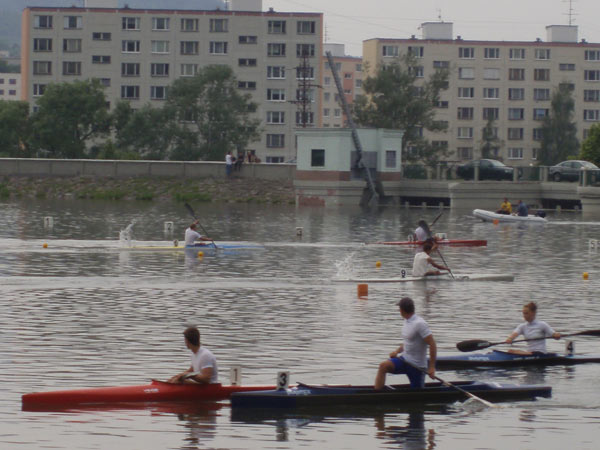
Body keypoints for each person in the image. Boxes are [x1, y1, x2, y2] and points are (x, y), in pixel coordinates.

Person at [374, 297, 437, 389]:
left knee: (417, 393)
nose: (399, 311)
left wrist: (431, 367)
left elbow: (432, 344)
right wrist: (397, 352)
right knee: (383, 366)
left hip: (416, 366)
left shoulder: (420, 324)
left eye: (399, 309)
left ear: (402, 310)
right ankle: (377, 395)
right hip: (404, 360)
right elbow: (408, 342)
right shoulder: (406, 321)